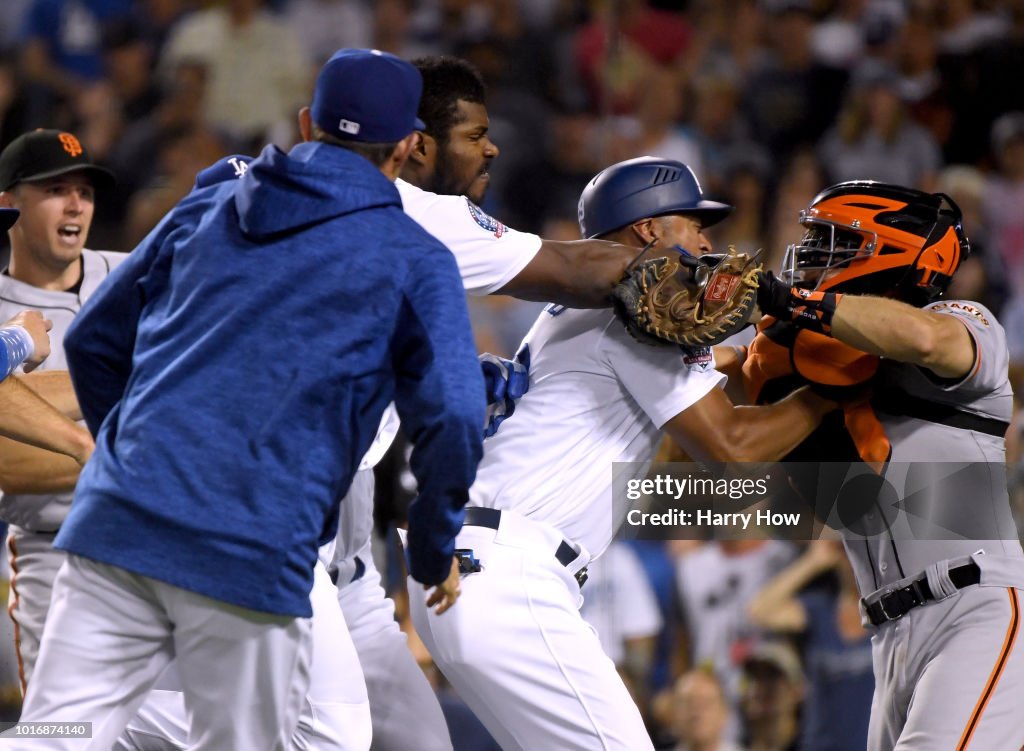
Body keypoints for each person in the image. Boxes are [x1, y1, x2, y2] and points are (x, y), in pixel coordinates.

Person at [15, 48, 486, 751]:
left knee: (55, 731)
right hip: (248, 545)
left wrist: (139, 455)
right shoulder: (415, 258)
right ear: (411, 146)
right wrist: (433, 546)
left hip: (117, 519)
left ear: (307, 122)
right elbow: (453, 415)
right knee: (303, 737)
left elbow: (92, 340)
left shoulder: (211, 201)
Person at [408, 155, 837, 750]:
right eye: (693, 223)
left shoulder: (587, 309)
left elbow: (696, 420)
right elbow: (734, 452)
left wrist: (742, 361)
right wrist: (835, 389)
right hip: (508, 572)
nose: (706, 241)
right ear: (647, 231)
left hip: (474, 569)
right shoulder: (639, 309)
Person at [748, 180, 1024, 749]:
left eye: (834, 242)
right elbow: (717, 459)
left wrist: (797, 305)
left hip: (973, 605)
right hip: (888, 635)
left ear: (889, 249)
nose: (811, 257)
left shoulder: (964, 319)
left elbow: (924, 341)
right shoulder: (819, 362)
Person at [0, 128, 119, 691]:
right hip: (59, 554)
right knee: (60, 735)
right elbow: (6, 462)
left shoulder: (137, 273)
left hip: (165, 550)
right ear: (9, 203)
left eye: (86, 191)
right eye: (55, 189)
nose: (76, 204)